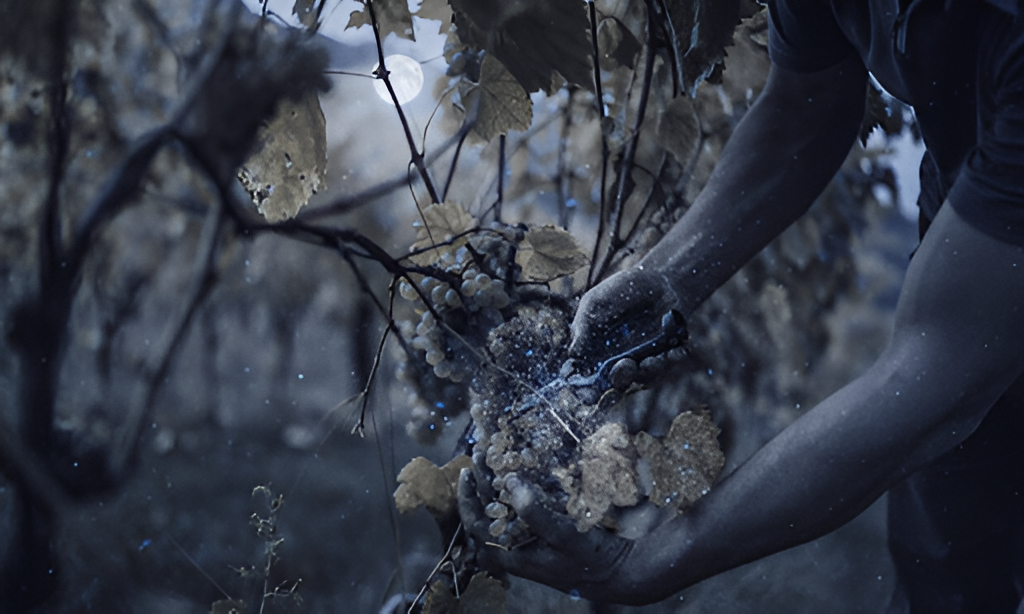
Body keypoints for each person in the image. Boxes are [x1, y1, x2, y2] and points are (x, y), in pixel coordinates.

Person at [458, 0, 1024, 610]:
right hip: (980, 214)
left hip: (993, 240)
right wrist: (671, 274)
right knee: (946, 561)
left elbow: (936, 377)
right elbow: (805, 108)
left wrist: (644, 563)